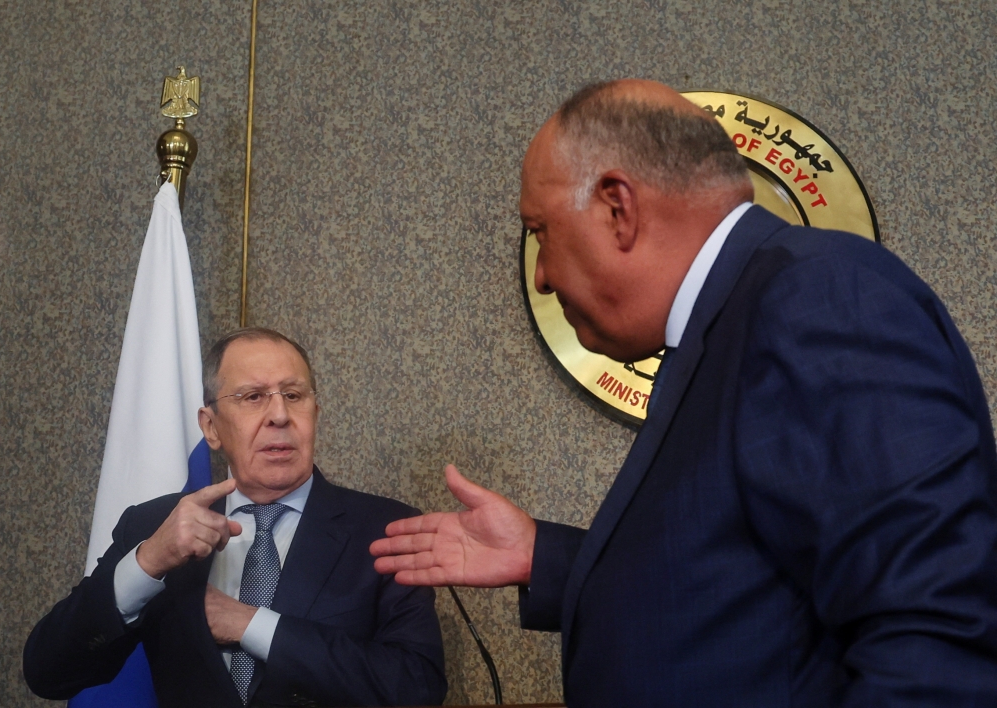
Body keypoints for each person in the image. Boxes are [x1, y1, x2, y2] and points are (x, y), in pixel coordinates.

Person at [370, 79, 997, 706]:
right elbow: (745, 589)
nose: (541, 273)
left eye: (541, 232)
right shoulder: (735, 318)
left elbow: (936, 632)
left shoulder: (822, 298)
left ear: (618, 208)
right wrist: (549, 558)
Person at [25, 328, 447, 707]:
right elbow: (49, 672)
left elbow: (417, 686)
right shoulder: (154, 524)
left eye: (294, 396)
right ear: (210, 427)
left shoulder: (387, 529)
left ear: (315, 414)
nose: (280, 416)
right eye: (253, 396)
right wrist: (148, 562)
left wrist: (251, 624)